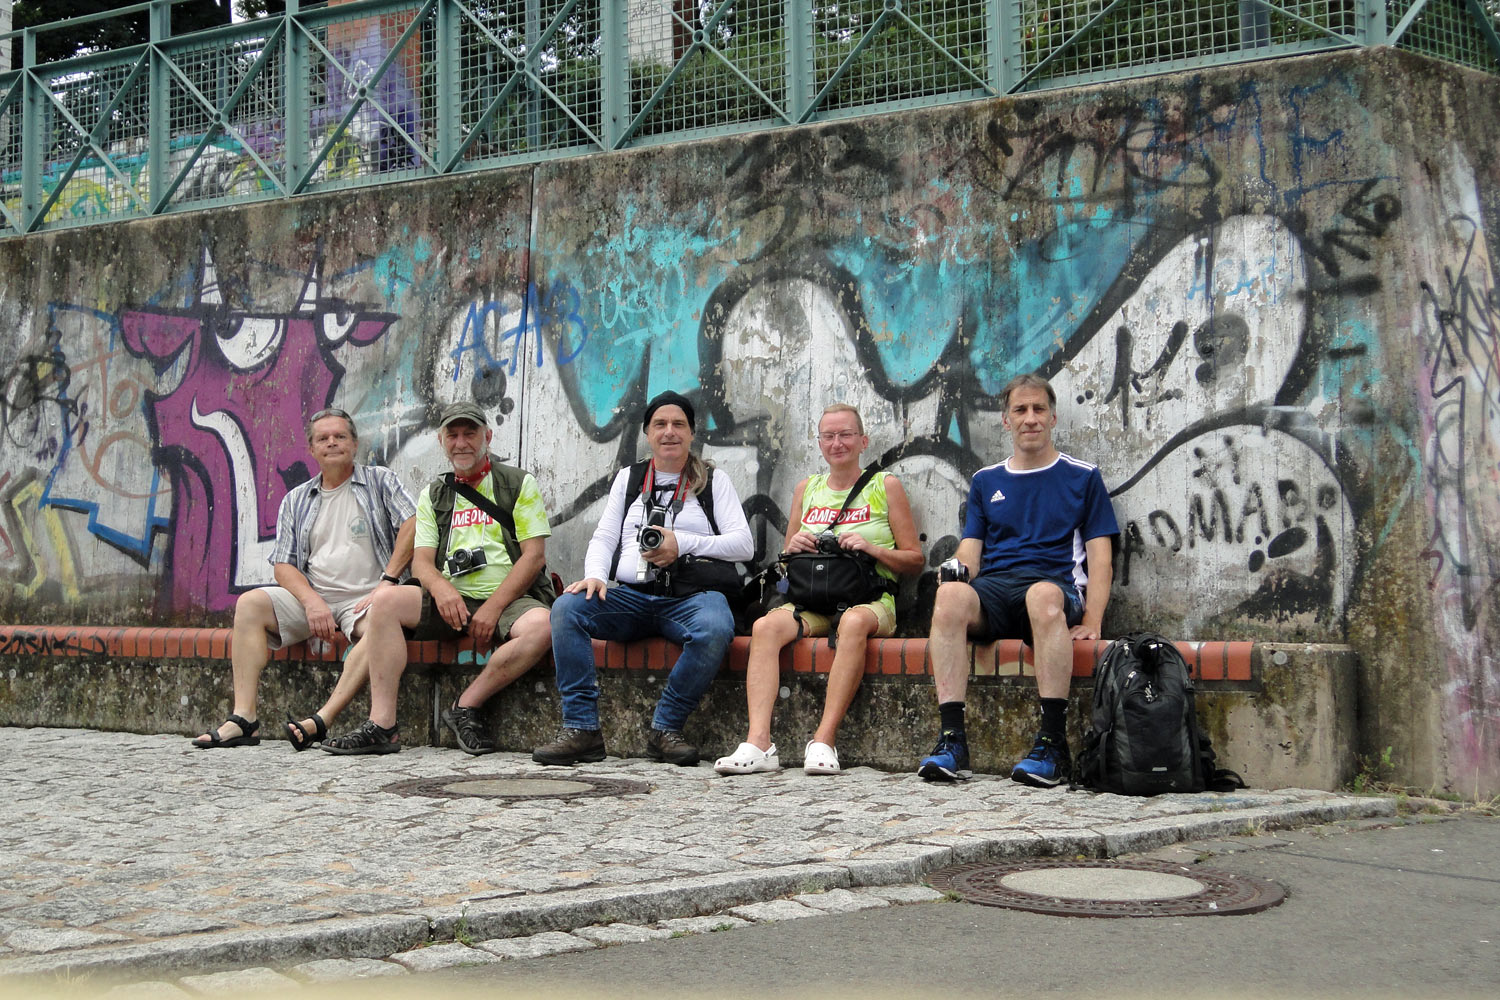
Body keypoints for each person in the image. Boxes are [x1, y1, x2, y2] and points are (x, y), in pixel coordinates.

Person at [918, 373, 1119, 787]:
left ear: (1053, 417)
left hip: (1053, 589)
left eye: (1038, 409)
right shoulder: (986, 481)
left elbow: (1101, 559)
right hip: (997, 589)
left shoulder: (1083, 477)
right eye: (1020, 410)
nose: (1030, 418)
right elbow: (971, 551)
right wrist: (954, 572)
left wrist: (1093, 620)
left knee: (1043, 595)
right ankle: (952, 741)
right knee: (951, 598)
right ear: (1006, 421)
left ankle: (1051, 744)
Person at [533, 390, 754, 767]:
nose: (670, 432)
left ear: (692, 432)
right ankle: (582, 729)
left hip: (693, 598)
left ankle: (666, 729)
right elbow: (604, 536)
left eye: (678, 425)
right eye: (660, 425)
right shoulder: (630, 479)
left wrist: (680, 543)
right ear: (647, 434)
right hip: (633, 596)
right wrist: (595, 577)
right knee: (567, 608)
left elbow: (743, 546)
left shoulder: (713, 481)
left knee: (717, 626)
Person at [320, 402, 555, 755]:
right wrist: (442, 589)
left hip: (507, 598)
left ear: (487, 437)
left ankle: (466, 706)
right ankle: (382, 724)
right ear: (442, 441)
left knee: (543, 626)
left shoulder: (517, 484)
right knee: (385, 601)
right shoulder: (435, 493)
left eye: (470, 433)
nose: (461, 442)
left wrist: (493, 607)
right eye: (453, 435)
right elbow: (423, 564)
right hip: (451, 601)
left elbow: (534, 557)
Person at [715, 404, 923, 776]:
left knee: (854, 624)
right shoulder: (806, 489)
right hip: (810, 600)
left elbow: (914, 560)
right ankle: (759, 743)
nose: (837, 443)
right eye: (828, 436)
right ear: (819, 442)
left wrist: (871, 548)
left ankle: (824, 740)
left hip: (870, 600)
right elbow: (784, 562)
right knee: (764, 627)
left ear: (863, 441)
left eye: (845, 434)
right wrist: (791, 549)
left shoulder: (883, 486)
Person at [191, 408, 417, 750]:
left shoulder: (380, 481)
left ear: (355, 444)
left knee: (382, 628)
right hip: (316, 598)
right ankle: (244, 718)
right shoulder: (296, 499)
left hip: (369, 599)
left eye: (340, 436)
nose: (332, 443)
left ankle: (321, 719)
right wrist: (312, 602)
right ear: (311, 450)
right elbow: (283, 565)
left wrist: (388, 580)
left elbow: (413, 526)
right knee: (250, 604)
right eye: (323, 438)